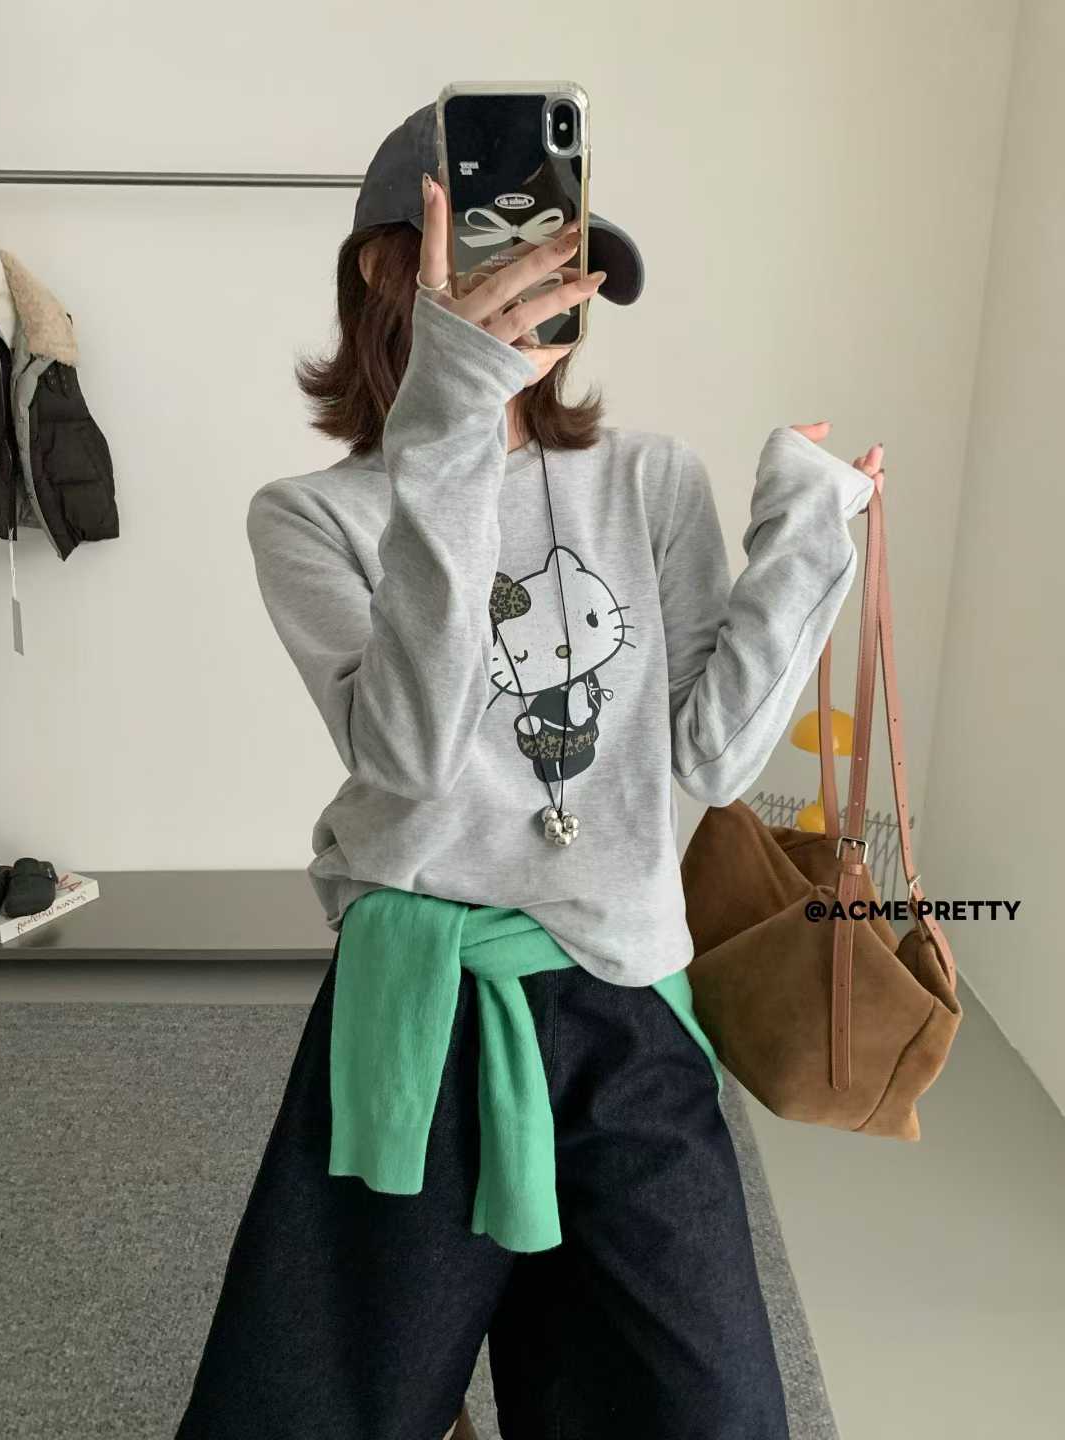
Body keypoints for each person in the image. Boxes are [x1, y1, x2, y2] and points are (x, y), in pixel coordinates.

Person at [173, 101, 883, 1440]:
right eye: (503, 249)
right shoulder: (312, 517)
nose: (545, 287)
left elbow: (712, 757)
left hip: (628, 997)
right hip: (422, 1004)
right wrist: (448, 433)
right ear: (391, 268)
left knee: (708, 1412)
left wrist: (804, 531)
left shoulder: (649, 480)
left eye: (566, 263)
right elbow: (410, 761)